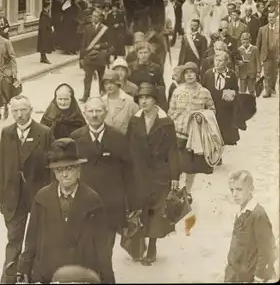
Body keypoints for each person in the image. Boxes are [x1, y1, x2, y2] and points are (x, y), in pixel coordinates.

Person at [17, 138, 115, 284]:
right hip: (48, 274)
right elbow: (31, 240)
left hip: (80, 275)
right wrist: (23, 270)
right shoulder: (42, 198)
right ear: (54, 173)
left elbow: (102, 248)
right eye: (59, 169)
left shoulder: (92, 201)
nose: (64, 174)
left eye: (69, 168)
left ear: (78, 169)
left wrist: (108, 279)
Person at [0, 95, 54, 284]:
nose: (19, 115)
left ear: (30, 109)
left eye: (23, 110)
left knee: (38, 240)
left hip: (37, 194)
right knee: (14, 240)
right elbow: (1, 164)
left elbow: (52, 167)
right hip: (13, 195)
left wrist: (52, 196)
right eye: (15, 111)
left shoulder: (44, 133)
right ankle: (8, 280)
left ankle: (35, 278)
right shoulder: (7, 133)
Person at [70, 97, 137, 254]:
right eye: (91, 111)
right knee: (84, 246)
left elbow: (129, 172)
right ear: (85, 113)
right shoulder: (75, 138)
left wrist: (133, 204)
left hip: (110, 204)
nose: (95, 115)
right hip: (83, 203)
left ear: (105, 112)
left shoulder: (118, 137)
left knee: (106, 249)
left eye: (99, 111)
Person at [126, 82, 180, 266]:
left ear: (155, 100)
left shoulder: (166, 122)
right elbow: (129, 147)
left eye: (147, 98)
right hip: (139, 172)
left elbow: (173, 150)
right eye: (141, 98)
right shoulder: (134, 120)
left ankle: (152, 247)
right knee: (140, 210)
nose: (144, 101)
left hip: (160, 173)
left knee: (156, 211)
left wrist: (174, 176)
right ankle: (138, 244)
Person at [168, 62, 216, 197]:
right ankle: (174, 190)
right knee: (175, 163)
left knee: (190, 166)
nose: (189, 75)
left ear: (197, 75)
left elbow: (212, 111)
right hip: (178, 133)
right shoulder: (177, 91)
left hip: (194, 136)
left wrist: (202, 117)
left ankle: (187, 191)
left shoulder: (204, 92)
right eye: (186, 73)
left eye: (192, 72)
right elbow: (170, 111)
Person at [224, 170, 277, 283]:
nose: (234, 194)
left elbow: (267, 251)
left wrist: (258, 278)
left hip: (248, 277)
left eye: (239, 189)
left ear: (251, 189)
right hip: (234, 273)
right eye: (232, 190)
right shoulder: (241, 211)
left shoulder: (258, 216)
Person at [201, 51, 240, 152]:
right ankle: (214, 152)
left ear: (226, 62)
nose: (217, 63)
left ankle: (219, 152)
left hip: (225, 108)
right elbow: (203, 89)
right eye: (216, 60)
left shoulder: (231, 74)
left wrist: (232, 94)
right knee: (212, 130)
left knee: (222, 131)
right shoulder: (208, 74)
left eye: (221, 61)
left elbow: (235, 89)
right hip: (212, 107)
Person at [79, 9, 110, 102]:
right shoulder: (87, 28)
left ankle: (103, 94)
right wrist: (81, 57)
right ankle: (86, 95)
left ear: (100, 18)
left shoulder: (104, 29)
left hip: (100, 56)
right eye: (93, 16)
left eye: (96, 16)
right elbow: (83, 43)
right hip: (89, 56)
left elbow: (109, 43)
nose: (94, 18)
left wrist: (100, 45)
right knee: (87, 78)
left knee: (102, 77)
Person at [256, 11, 279, 98]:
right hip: (266, 54)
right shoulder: (262, 29)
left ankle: (272, 87)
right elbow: (258, 43)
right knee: (266, 73)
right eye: (269, 17)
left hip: (276, 54)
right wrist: (258, 56)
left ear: (276, 18)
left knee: (274, 72)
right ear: (268, 18)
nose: (271, 19)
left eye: (273, 17)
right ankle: (267, 91)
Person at [37, 0, 54, 64]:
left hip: (46, 31)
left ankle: (42, 57)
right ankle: (44, 58)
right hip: (44, 32)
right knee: (43, 44)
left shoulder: (45, 12)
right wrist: (49, 28)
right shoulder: (44, 14)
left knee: (44, 44)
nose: (50, 6)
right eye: (50, 5)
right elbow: (44, 24)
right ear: (48, 6)